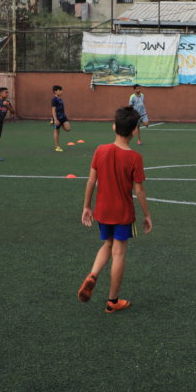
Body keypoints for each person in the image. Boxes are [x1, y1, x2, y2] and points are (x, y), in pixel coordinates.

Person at [77, 106, 153, 314]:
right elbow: (139, 190)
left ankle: (93, 274)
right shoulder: (134, 157)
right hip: (122, 213)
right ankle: (113, 301)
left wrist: (86, 207)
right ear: (135, 131)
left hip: (102, 210)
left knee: (107, 244)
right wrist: (147, 215)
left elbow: (91, 180)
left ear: (113, 127)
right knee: (119, 252)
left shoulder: (100, 150)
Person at [51, 85, 71, 152]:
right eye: (60, 90)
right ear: (55, 91)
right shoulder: (54, 99)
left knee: (68, 128)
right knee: (56, 131)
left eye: (61, 90)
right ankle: (57, 146)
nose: (61, 92)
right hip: (57, 118)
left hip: (63, 117)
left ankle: (59, 124)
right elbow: (53, 110)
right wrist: (55, 119)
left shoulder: (60, 99)